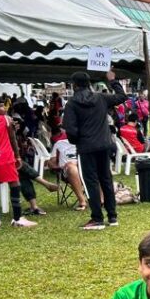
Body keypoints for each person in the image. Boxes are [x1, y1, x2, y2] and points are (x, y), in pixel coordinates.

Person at [62, 70, 126, 230]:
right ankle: (112, 216)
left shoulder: (72, 104)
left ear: (74, 85)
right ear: (89, 83)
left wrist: (77, 140)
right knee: (106, 179)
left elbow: (70, 129)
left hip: (86, 146)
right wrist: (113, 80)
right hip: (104, 144)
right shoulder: (100, 98)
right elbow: (121, 97)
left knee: (90, 182)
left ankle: (97, 218)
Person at [0, 96, 35, 228]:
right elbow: (12, 139)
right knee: (15, 184)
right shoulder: (6, 119)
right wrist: (17, 156)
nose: (4, 108)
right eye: (0, 106)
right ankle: (17, 218)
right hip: (5, 157)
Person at [49, 124, 88, 210]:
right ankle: (82, 201)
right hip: (67, 172)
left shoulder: (86, 142)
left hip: (86, 170)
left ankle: (101, 200)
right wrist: (59, 166)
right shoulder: (59, 144)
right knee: (71, 167)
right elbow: (51, 163)